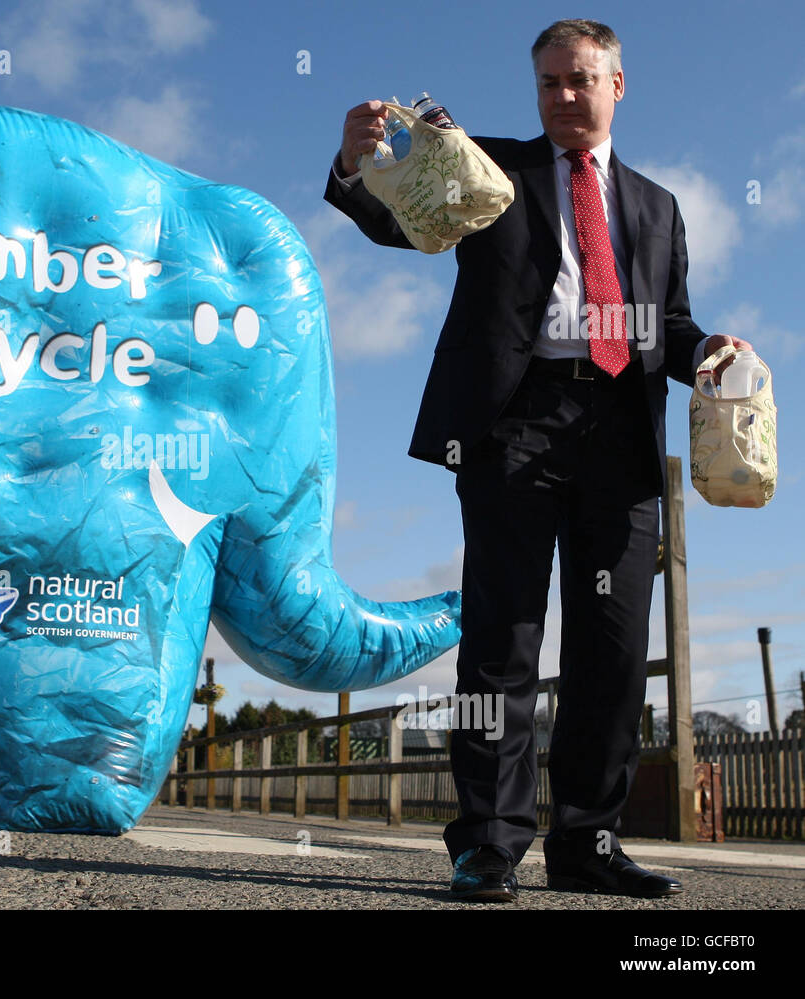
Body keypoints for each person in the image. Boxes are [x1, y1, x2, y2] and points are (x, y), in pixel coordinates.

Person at [323, 19, 753, 901]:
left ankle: (588, 841)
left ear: (618, 85)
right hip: (513, 425)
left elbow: (663, 325)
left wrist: (705, 346)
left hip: (622, 438)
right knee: (502, 642)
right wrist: (352, 164)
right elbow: (400, 222)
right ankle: (488, 843)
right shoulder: (489, 169)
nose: (564, 95)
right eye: (549, 82)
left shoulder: (658, 206)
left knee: (614, 647)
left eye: (581, 79)